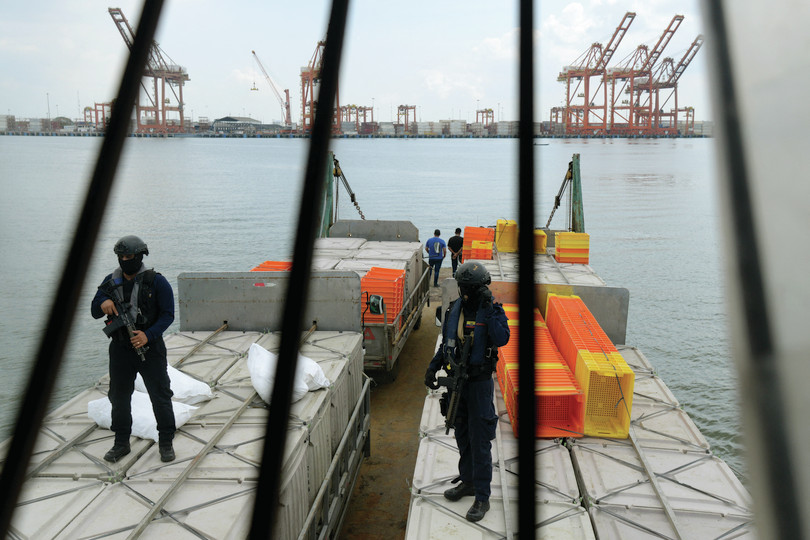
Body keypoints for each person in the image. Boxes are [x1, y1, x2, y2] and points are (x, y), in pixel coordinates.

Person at [424, 262, 510, 522]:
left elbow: (502, 338)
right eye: (464, 287)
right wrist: (433, 368)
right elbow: (447, 343)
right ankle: (469, 482)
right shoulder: (454, 310)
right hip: (456, 382)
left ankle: (482, 497)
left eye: (470, 287)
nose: (466, 292)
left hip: (479, 384)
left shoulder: (492, 311)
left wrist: (489, 307)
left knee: (480, 440)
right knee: (462, 434)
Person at [91, 235, 177, 463]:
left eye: (129, 256)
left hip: (150, 348)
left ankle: (166, 441)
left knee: (160, 395)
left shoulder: (157, 282)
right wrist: (103, 303)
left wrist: (147, 335)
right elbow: (94, 310)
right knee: (118, 397)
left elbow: (168, 315)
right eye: (121, 256)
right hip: (120, 349)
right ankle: (121, 443)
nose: (124, 260)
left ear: (139, 257)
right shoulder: (110, 281)